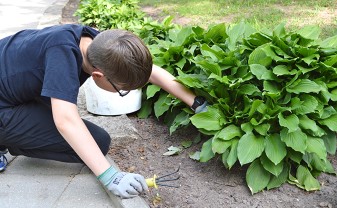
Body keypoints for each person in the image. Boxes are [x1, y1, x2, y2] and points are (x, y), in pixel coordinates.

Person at [0, 24, 207, 198]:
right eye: (122, 90)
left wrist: (197, 103)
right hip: (4, 105)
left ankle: (17, 134)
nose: (122, 92)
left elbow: (151, 72)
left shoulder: (99, 45)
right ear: (98, 75)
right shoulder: (62, 56)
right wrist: (110, 176)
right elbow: (65, 120)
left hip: (15, 92)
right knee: (86, 141)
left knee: (97, 143)